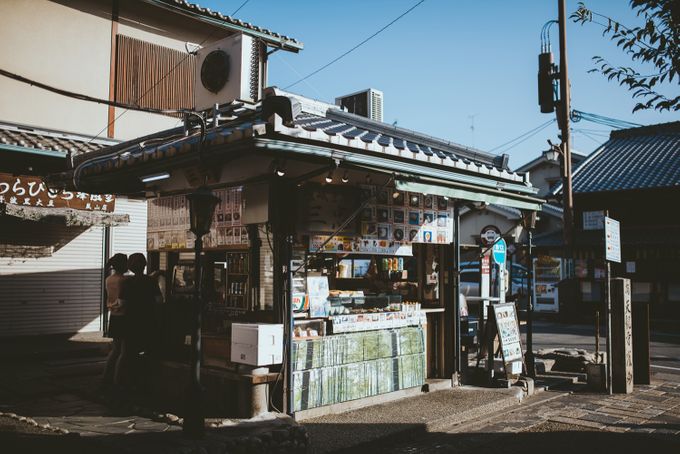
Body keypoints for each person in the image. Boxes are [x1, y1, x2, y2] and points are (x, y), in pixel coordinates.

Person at [119, 253, 162, 389]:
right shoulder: (151, 281)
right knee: (149, 352)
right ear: (144, 265)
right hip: (148, 321)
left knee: (129, 354)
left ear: (130, 267)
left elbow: (121, 303)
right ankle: (146, 382)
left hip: (131, 322)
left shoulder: (127, 282)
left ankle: (129, 383)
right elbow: (159, 300)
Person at [101, 253, 128, 389]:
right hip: (124, 316)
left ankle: (106, 377)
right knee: (124, 351)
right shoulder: (123, 280)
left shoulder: (109, 279)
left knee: (115, 350)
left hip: (114, 316)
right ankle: (118, 381)